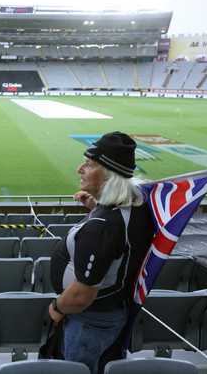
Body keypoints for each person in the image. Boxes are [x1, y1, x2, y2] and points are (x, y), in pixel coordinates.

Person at [48, 131, 155, 374]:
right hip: (112, 313)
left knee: (79, 370)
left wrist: (56, 307)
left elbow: (81, 296)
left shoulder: (102, 228)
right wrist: (96, 206)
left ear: (108, 175)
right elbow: (119, 241)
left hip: (89, 321)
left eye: (89, 164)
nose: (79, 169)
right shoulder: (133, 207)